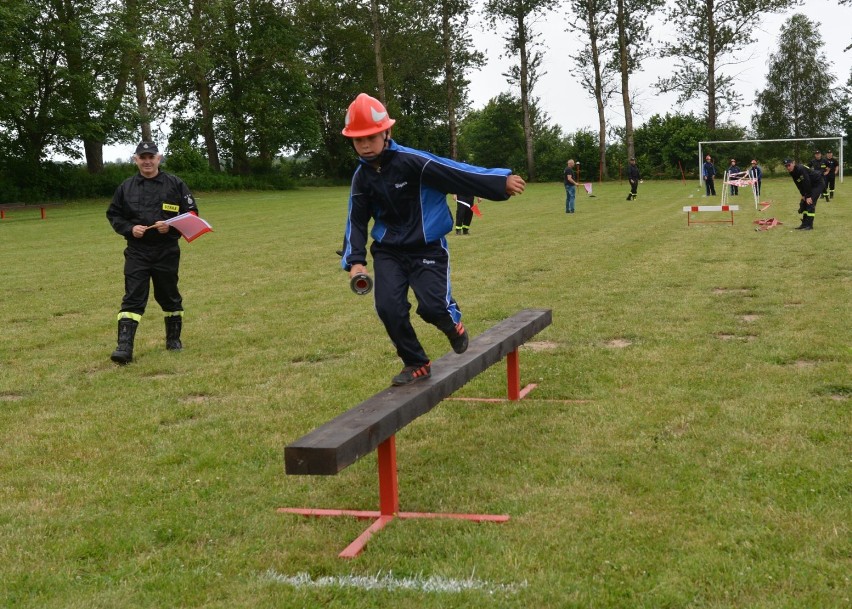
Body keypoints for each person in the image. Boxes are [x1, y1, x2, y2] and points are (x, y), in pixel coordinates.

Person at [339, 93, 526, 386]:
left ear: (387, 132)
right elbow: (356, 220)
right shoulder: (361, 177)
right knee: (388, 307)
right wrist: (355, 261)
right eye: (357, 139)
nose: (364, 145)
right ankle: (415, 361)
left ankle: (452, 325)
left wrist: (498, 181)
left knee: (432, 306)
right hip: (388, 250)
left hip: (427, 248)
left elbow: (456, 172)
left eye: (371, 137)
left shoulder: (413, 162)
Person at [106, 141, 199, 364]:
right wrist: (130, 229)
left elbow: (192, 214)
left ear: (159, 158)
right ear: (135, 159)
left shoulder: (175, 184)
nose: (147, 161)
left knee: (168, 295)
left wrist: (171, 226)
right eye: (142, 157)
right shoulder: (126, 187)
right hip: (137, 252)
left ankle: (173, 340)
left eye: (151, 157)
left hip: (166, 251)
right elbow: (114, 215)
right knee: (133, 297)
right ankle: (124, 348)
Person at [784, 158, 824, 231]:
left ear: (793, 163)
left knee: (810, 202)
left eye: (789, 165)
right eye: (786, 166)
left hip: (818, 183)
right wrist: (803, 195)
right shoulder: (792, 172)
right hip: (810, 185)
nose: (788, 167)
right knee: (804, 203)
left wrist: (808, 196)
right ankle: (804, 224)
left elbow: (806, 181)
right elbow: (798, 183)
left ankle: (809, 225)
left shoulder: (800, 169)